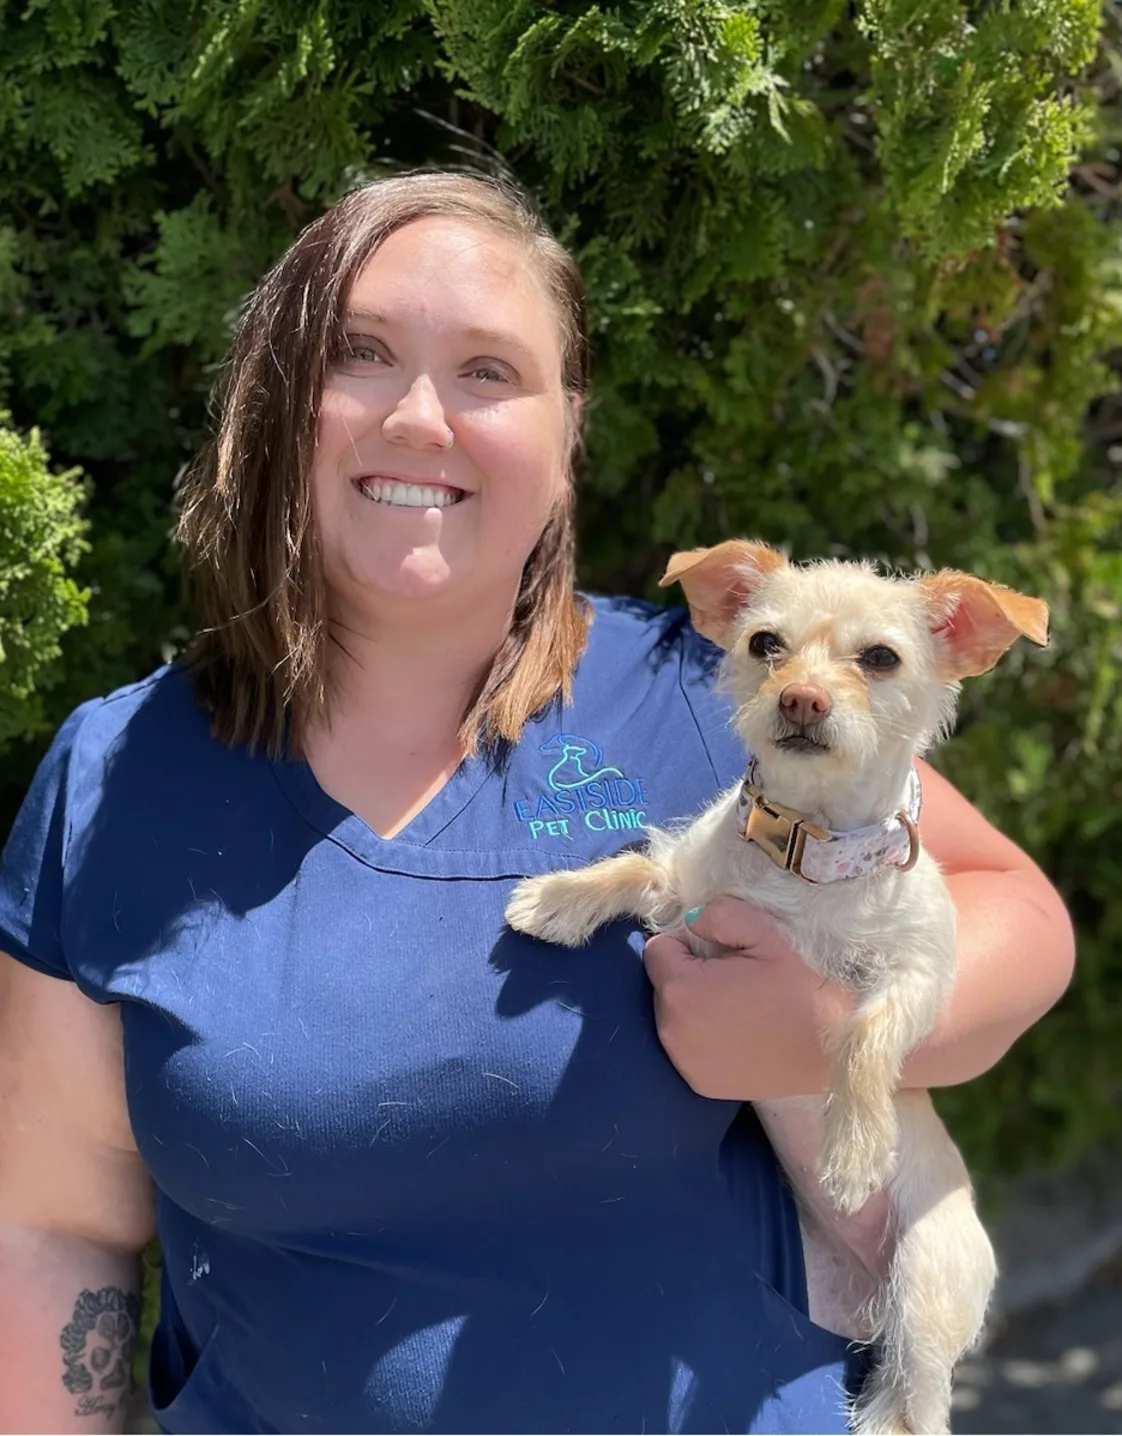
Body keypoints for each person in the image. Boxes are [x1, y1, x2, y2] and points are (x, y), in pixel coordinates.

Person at [0, 171, 1074, 1436]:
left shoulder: (713, 694)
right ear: (278, 401)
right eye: (359, 352)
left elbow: (1018, 914)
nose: (418, 415)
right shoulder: (118, 773)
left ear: (568, 436)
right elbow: (52, 1222)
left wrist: (832, 1031)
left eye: (489, 372)